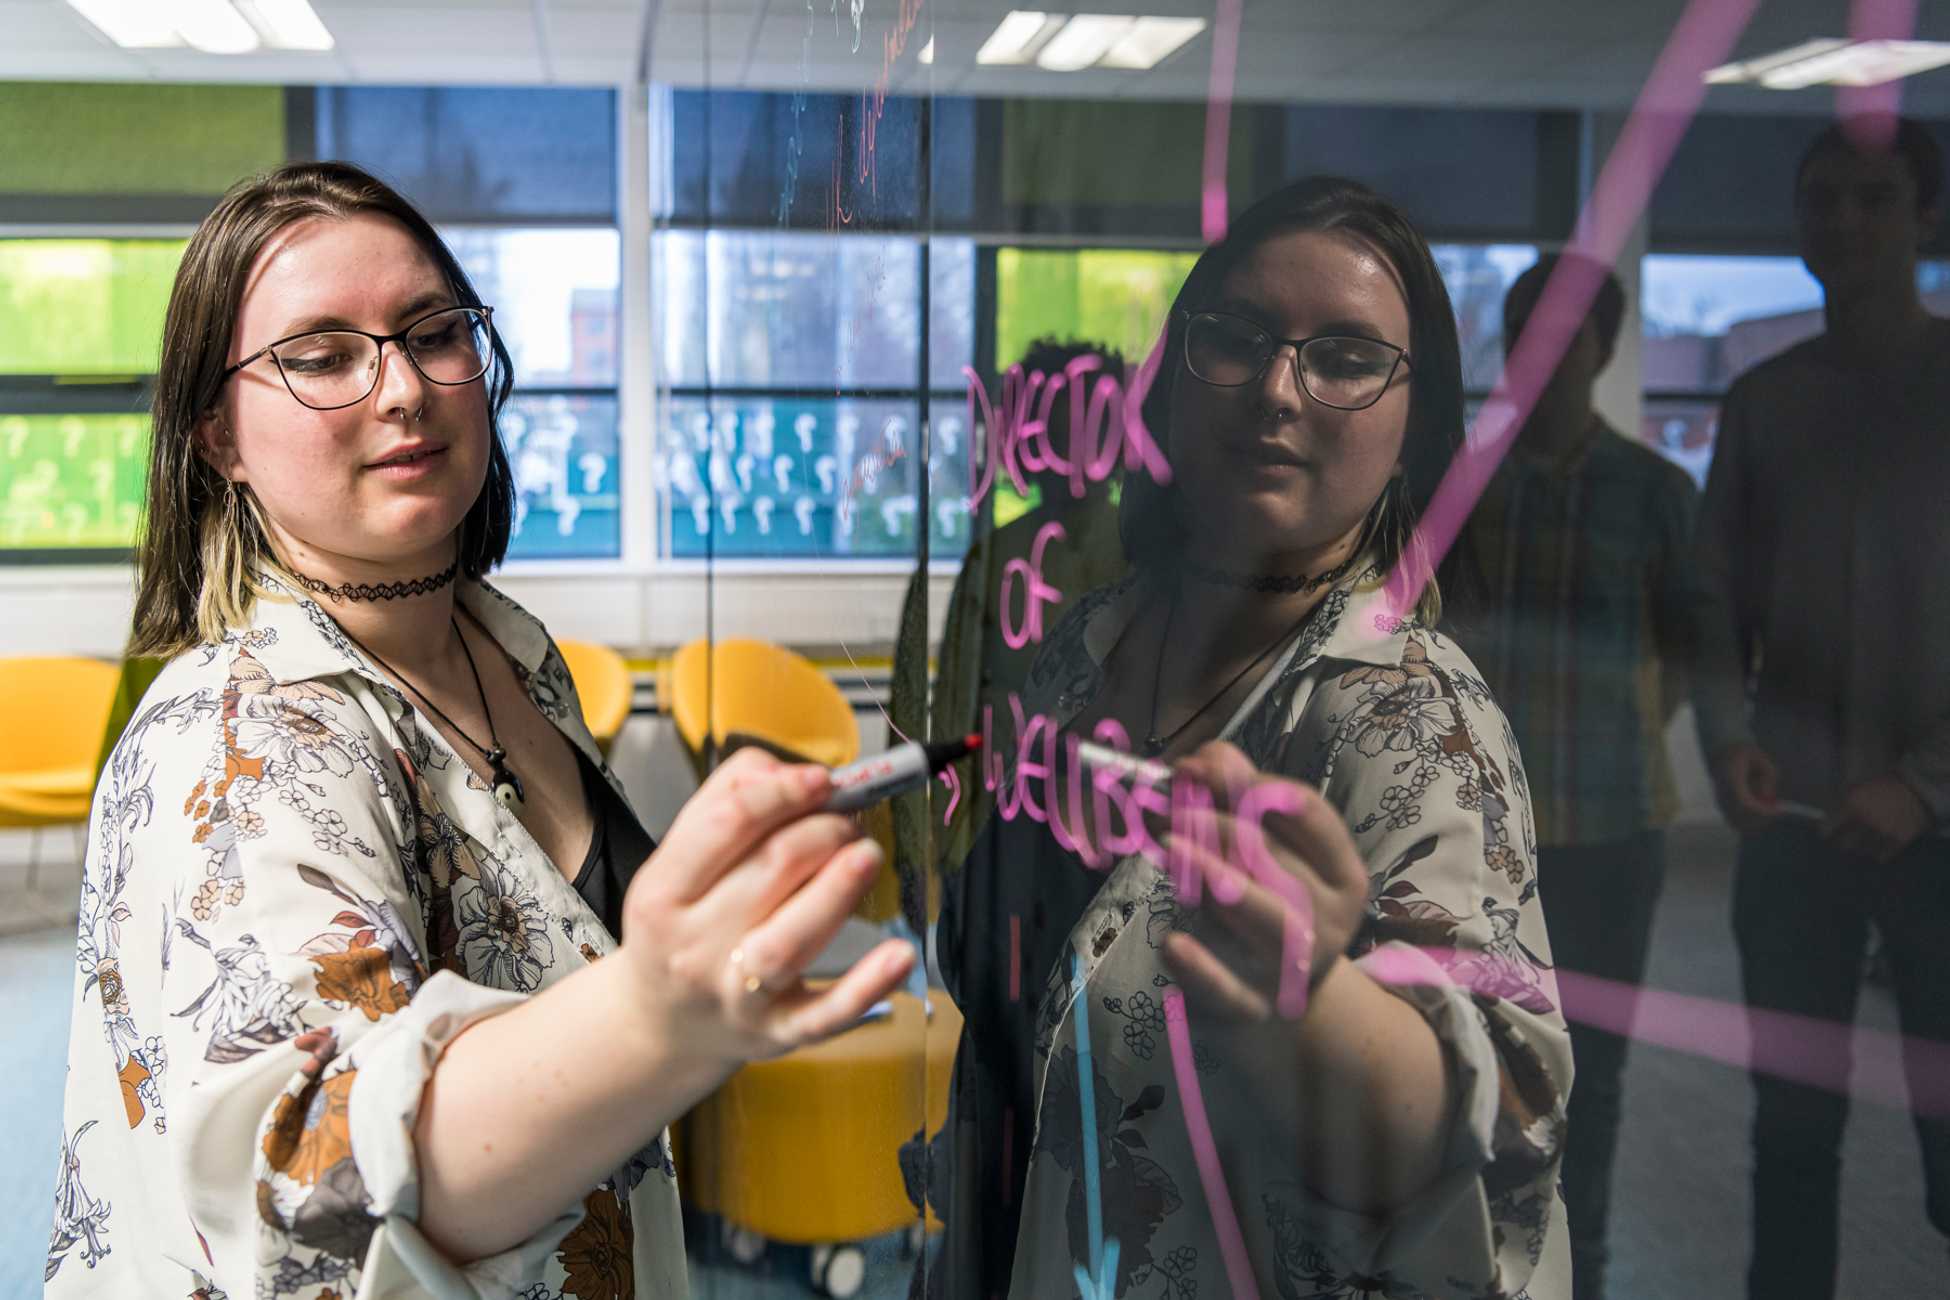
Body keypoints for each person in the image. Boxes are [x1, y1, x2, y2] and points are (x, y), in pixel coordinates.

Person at [44, 161, 915, 1299]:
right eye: (321, 356)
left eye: (433, 332)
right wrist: (657, 1011)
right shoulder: (238, 735)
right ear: (218, 436)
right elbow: (316, 1183)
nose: (401, 388)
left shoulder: (508, 647)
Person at [930, 176, 1571, 1298]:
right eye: (1235, 339)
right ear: (1172, 380)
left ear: (1415, 421)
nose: (1277, 390)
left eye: (1345, 356)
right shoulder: (1088, 639)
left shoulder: (1412, 716)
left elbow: (1492, 1114)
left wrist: (1311, 1002)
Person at [1693, 116, 1950, 1300]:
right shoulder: (1763, 404)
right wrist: (1728, 740)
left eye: (1875, 198)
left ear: (1927, 217)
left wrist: (1925, 784)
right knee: (1792, 1134)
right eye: (1822, 198)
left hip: (1944, 839)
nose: (1844, 220)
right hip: (1791, 824)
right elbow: (1714, 612)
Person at [1464, 253, 1702, 1300]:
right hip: (1480, 845)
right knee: (1477, 1070)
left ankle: (1582, 1270)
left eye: (1568, 335)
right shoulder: (1462, 488)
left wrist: (1614, 729)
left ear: (1603, 348)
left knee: (1590, 1081)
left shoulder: (1655, 493)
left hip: (1611, 837)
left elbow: (1692, 650)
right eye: (1527, 334)